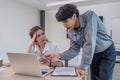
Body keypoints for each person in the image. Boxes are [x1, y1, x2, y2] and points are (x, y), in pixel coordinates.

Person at [42, 4, 116, 80]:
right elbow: (74, 50)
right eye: (62, 23)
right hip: (94, 53)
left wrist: (82, 67)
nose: (64, 25)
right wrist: (58, 56)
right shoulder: (70, 31)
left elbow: (89, 43)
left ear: (74, 16)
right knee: (94, 78)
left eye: (66, 21)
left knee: (104, 78)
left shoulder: (90, 16)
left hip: (107, 51)